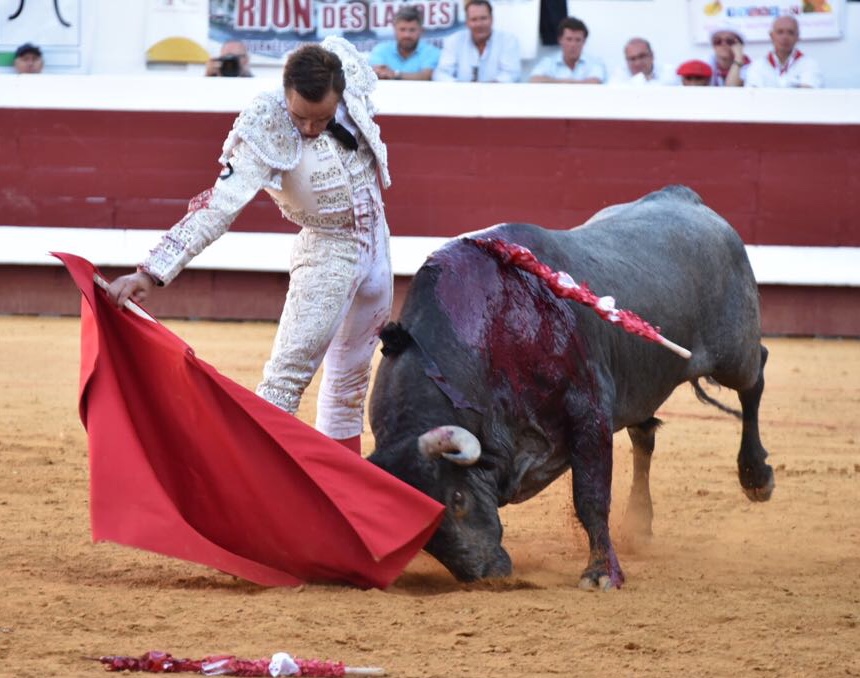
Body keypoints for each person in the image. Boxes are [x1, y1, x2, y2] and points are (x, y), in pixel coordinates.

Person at [107, 37, 392, 456]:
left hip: (379, 247)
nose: (311, 128)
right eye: (301, 117)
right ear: (285, 95)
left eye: (322, 118)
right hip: (328, 252)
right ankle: (257, 496)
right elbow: (217, 206)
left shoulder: (349, 76)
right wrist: (151, 270)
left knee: (350, 385)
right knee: (282, 384)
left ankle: (343, 499)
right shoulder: (266, 120)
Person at [432, 0, 520, 83]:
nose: (479, 24)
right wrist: (460, 88)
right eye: (474, 19)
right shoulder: (454, 40)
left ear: (492, 19)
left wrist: (487, 89)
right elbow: (441, 73)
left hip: (498, 95)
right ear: (467, 22)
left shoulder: (508, 40)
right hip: (460, 96)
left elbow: (512, 74)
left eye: (483, 18)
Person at [745, 16, 823, 88]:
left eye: (790, 32)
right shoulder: (757, 66)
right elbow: (753, 96)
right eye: (780, 32)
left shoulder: (809, 64)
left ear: (797, 37)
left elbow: (808, 95)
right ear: (771, 36)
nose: (785, 37)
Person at [369, 5, 441, 81]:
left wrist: (395, 74)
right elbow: (377, 73)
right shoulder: (380, 50)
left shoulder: (432, 52)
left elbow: (426, 76)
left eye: (412, 30)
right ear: (394, 29)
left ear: (421, 31)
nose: (407, 35)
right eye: (402, 29)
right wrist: (382, 73)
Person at [528, 17, 605, 84]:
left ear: (584, 42)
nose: (573, 44)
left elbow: (595, 83)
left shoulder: (594, 63)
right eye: (569, 39)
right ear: (560, 40)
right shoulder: (548, 62)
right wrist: (567, 83)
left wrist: (556, 83)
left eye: (578, 40)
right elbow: (534, 80)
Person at [608, 37, 676, 86]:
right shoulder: (619, 74)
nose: (638, 63)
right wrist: (640, 78)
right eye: (632, 59)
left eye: (642, 56)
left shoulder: (668, 71)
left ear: (652, 56)